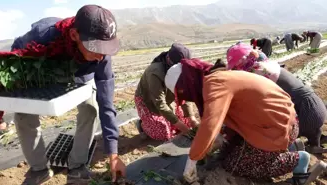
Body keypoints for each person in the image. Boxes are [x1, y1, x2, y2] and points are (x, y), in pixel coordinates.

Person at [0, 5, 125, 184]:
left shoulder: (101, 55)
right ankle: (38, 169)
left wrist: (113, 153)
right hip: (45, 66)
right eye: (94, 48)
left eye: (105, 49)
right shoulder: (42, 37)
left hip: (80, 72)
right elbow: (15, 52)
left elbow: (107, 102)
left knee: (91, 107)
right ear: (74, 35)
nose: (101, 56)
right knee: (24, 113)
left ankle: (77, 166)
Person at [164, 58, 327, 185]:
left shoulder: (214, 83)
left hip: (276, 127)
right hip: (281, 122)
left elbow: (210, 124)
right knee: (230, 151)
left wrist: (192, 159)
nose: (187, 97)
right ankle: (288, 146)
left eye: (182, 92)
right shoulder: (220, 76)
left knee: (235, 165)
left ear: (187, 83)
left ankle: (297, 159)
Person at [226, 43, 327, 154]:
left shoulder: (256, 73)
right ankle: (315, 143)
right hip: (317, 107)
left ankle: (296, 151)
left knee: (273, 140)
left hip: (306, 113)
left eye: (235, 67)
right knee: (310, 125)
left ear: (241, 63)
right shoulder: (266, 65)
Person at [134, 43, 198, 141]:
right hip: (149, 102)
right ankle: (143, 125)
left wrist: (192, 118)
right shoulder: (155, 72)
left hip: (169, 98)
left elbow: (185, 94)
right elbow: (160, 103)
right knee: (164, 133)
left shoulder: (182, 70)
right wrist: (184, 129)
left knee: (185, 123)